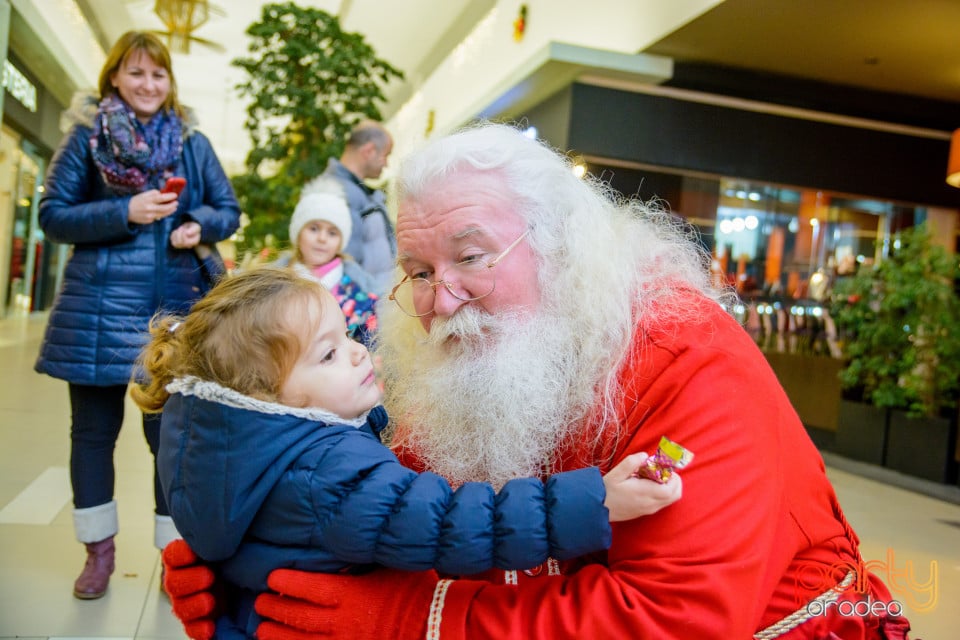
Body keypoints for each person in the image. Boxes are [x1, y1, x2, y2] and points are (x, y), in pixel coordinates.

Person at [164, 123, 913, 639]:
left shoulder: (688, 354)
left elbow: (675, 620)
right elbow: (395, 512)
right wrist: (251, 563)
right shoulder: (463, 358)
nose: (439, 298)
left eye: (472, 256)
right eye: (419, 271)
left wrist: (406, 622)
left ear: (557, 247)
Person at [130, 267, 681, 637]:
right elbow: (458, 524)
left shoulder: (226, 445)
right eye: (326, 356)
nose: (354, 352)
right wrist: (595, 501)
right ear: (270, 399)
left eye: (345, 335)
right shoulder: (331, 474)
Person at [33, 30, 241, 600]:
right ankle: (98, 554)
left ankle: (174, 556)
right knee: (93, 435)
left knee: (170, 438)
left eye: (159, 74)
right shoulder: (85, 138)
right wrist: (124, 209)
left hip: (170, 313)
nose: (148, 84)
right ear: (114, 78)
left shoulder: (191, 143)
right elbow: (52, 215)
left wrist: (201, 222)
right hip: (95, 311)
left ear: (170, 83)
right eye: (137, 72)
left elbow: (228, 208)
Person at [304, 120, 395, 295]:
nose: (386, 164)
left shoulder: (357, 191)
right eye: (386, 155)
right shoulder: (338, 191)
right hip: (361, 306)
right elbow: (343, 260)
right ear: (368, 151)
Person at [287, 178, 378, 345]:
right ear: (298, 232)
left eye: (332, 233)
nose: (322, 238)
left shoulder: (360, 297)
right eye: (313, 228)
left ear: (341, 242)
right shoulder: (275, 286)